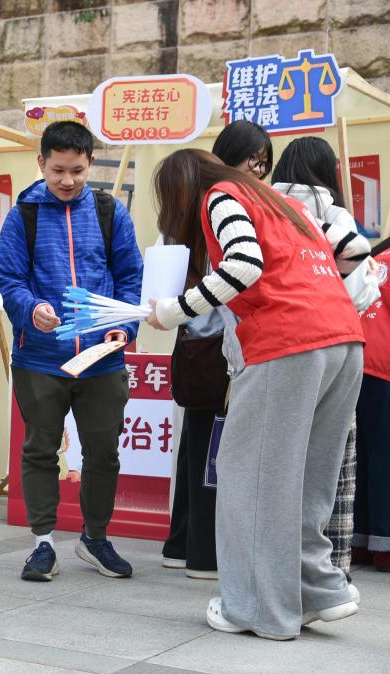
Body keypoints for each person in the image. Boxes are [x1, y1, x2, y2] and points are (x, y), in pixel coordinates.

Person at [146, 148, 368, 640]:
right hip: (343, 339)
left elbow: (244, 265)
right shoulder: (285, 203)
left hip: (285, 344)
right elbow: (354, 249)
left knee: (250, 478)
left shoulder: (221, 196)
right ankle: (319, 589)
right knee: (309, 477)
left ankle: (257, 610)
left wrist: (172, 310)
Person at [0, 121, 144, 582]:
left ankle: (95, 538)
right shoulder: (23, 216)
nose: (67, 180)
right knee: (40, 450)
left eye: (77, 170)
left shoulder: (109, 211)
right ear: (41, 163)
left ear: (90, 163)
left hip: (103, 358)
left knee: (103, 453)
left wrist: (122, 327)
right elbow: (8, 281)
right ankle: (42, 544)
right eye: (58, 170)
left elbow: (131, 278)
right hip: (40, 358)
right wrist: (31, 309)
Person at [161, 122, 275, 579]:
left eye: (264, 162)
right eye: (252, 160)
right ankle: (204, 555)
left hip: (194, 347)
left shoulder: (180, 221)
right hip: (222, 351)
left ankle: (182, 546)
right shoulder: (223, 210)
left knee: (197, 449)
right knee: (215, 454)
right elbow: (233, 284)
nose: (258, 170)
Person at [271, 135, 379, 576]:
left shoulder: (262, 207)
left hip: (272, 353)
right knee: (331, 465)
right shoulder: (335, 215)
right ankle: (329, 569)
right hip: (333, 350)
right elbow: (358, 292)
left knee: (275, 464)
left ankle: (272, 568)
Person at [353, 247, 390, 572]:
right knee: (383, 456)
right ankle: (385, 544)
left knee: (361, 452)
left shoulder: (380, 259)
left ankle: (359, 540)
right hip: (384, 365)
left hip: (360, 358)